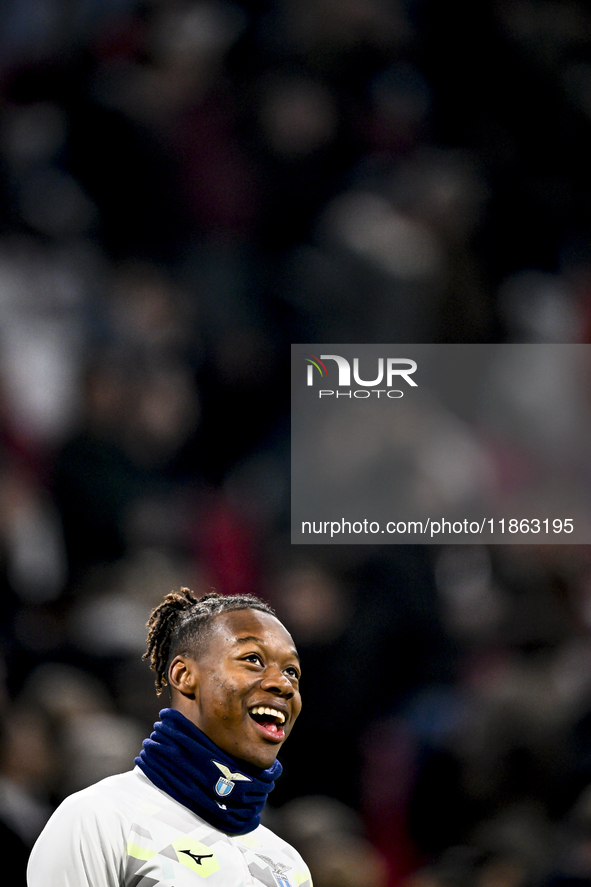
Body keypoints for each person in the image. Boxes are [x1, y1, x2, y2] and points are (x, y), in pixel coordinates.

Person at [27, 589, 312, 887]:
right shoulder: (99, 818)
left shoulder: (288, 865)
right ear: (184, 675)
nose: (283, 684)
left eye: (292, 671)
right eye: (253, 659)